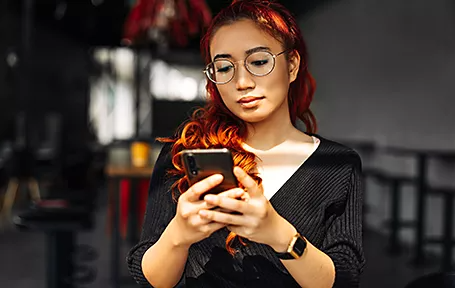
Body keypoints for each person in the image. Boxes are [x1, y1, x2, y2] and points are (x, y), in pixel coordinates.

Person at [126, 0, 365, 287]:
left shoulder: (338, 166)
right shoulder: (185, 154)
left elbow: (343, 279)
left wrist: (279, 234)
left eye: (259, 62)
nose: (242, 82)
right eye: (225, 67)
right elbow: (150, 280)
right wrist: (178, 235)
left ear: (292, 66)